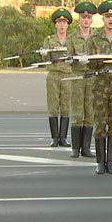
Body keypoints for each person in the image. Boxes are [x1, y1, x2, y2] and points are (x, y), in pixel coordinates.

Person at [86, 0, 112, 175]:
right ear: (103, 19)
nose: (110, 19)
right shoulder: (94, 39)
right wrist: (99, 60)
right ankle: (100, 162)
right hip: (100, 85)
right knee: (100, 123)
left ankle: (111, 161)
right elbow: (89, 64)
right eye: (107, 16)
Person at [66, 2, 97, 159]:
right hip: (78, 77)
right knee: (77, 110)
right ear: (79, 19)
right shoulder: (72, 38)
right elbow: (68, 58)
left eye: (89, 17)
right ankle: (75, 147)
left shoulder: (96, 38)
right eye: (83, 17)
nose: (86, 20)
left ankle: (86, 147)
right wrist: (76, 60)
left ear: (92, 20)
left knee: (90, 111)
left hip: (91, 77)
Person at [43, 8, 73, 147]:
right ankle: (54, 137)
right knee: (53, 106)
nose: (61, 25)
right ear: (55, 24)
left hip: (67, 75)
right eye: (59, 22)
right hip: (54, 75)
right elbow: (46, 60)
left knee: (66, 106)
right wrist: (44, 54)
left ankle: (63, 137)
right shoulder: (49, 40)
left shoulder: (72, 40)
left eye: (64, 22)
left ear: (67, 25)